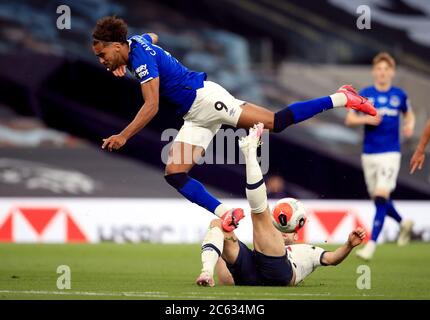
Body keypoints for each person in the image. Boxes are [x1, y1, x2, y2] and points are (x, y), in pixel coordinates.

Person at [92, 16, 376, 232]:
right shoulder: (137, 44)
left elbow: (151, 106)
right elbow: (151, 36)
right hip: (194, 116)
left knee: (276, 122)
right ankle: (226, 214)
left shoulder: (140, 59)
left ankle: (342, 97)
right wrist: (122, 62)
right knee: (175, 173)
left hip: (206, 100)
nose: (102, 61)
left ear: (117, 46)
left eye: (103, 55)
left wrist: (124, 135)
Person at [195, 123, 366, 287]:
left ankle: (250, 153)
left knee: (260, 214)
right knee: (217, 225)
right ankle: (205, 273)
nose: (284, 234)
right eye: (282, 229)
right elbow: (226, 280)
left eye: (288, 232)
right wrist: (221, 248)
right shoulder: (264, 244)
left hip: (279, 273)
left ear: (296, 237)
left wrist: (348, 245)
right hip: (252, 271)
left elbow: (332, 259)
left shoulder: (307, 251)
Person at [345, 52, 415, 260]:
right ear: (374, 72)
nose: (383, 73)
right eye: (379, 69)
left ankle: (371, 246)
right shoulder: (366, 94)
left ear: (392, 72)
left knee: (381, 195)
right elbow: (350, 119)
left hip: (390, 153)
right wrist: (365, 120)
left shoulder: (400, 95)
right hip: (369, 154)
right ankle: (403, 223)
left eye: (386, 69)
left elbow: (408, 114)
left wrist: (409, 125)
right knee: (379, 200)